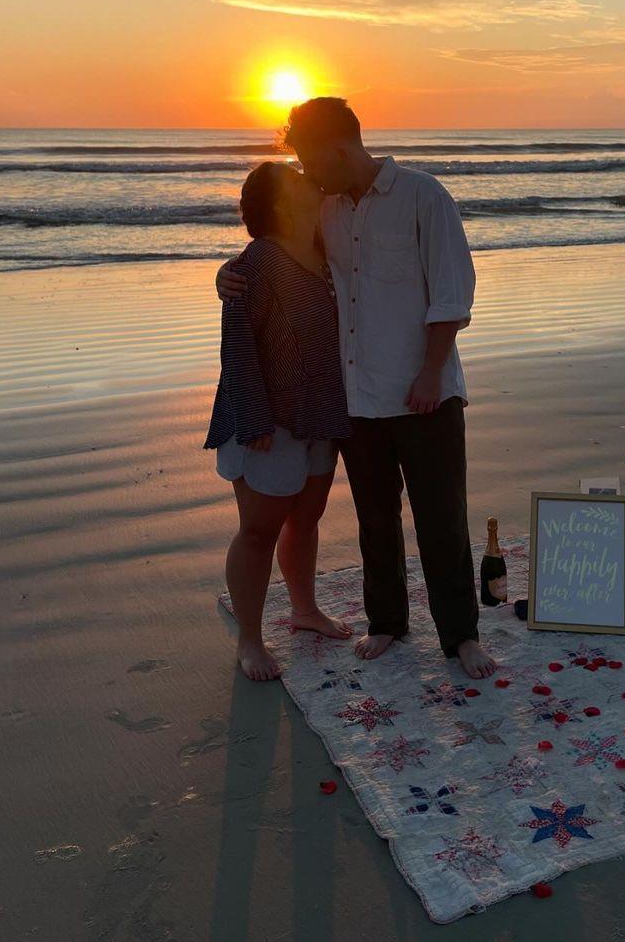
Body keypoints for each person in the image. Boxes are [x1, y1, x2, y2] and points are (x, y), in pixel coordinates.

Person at [217, 97, 495, 680]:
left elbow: (452, 293)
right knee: (375, 519)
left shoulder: (425, 197)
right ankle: (388, 623)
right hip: (356, 400)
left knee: (442, 518)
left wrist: (430, 372)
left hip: (426, 393)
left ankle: (461, 635)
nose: (308, 176)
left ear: (339, 149)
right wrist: (228, 276)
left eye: (311, 162)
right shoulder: (329, 210)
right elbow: (272, 250)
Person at [205, 160, 353, 682]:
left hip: (322, 414)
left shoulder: (326, 250)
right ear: (279, 203)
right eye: (296, 179)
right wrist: (254, 418)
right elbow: (237, 347)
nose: (309, 180)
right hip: (266, 422)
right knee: (258, 531)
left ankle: (305, 611)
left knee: (305, 520)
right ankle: (250, 639)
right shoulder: (260, 261)